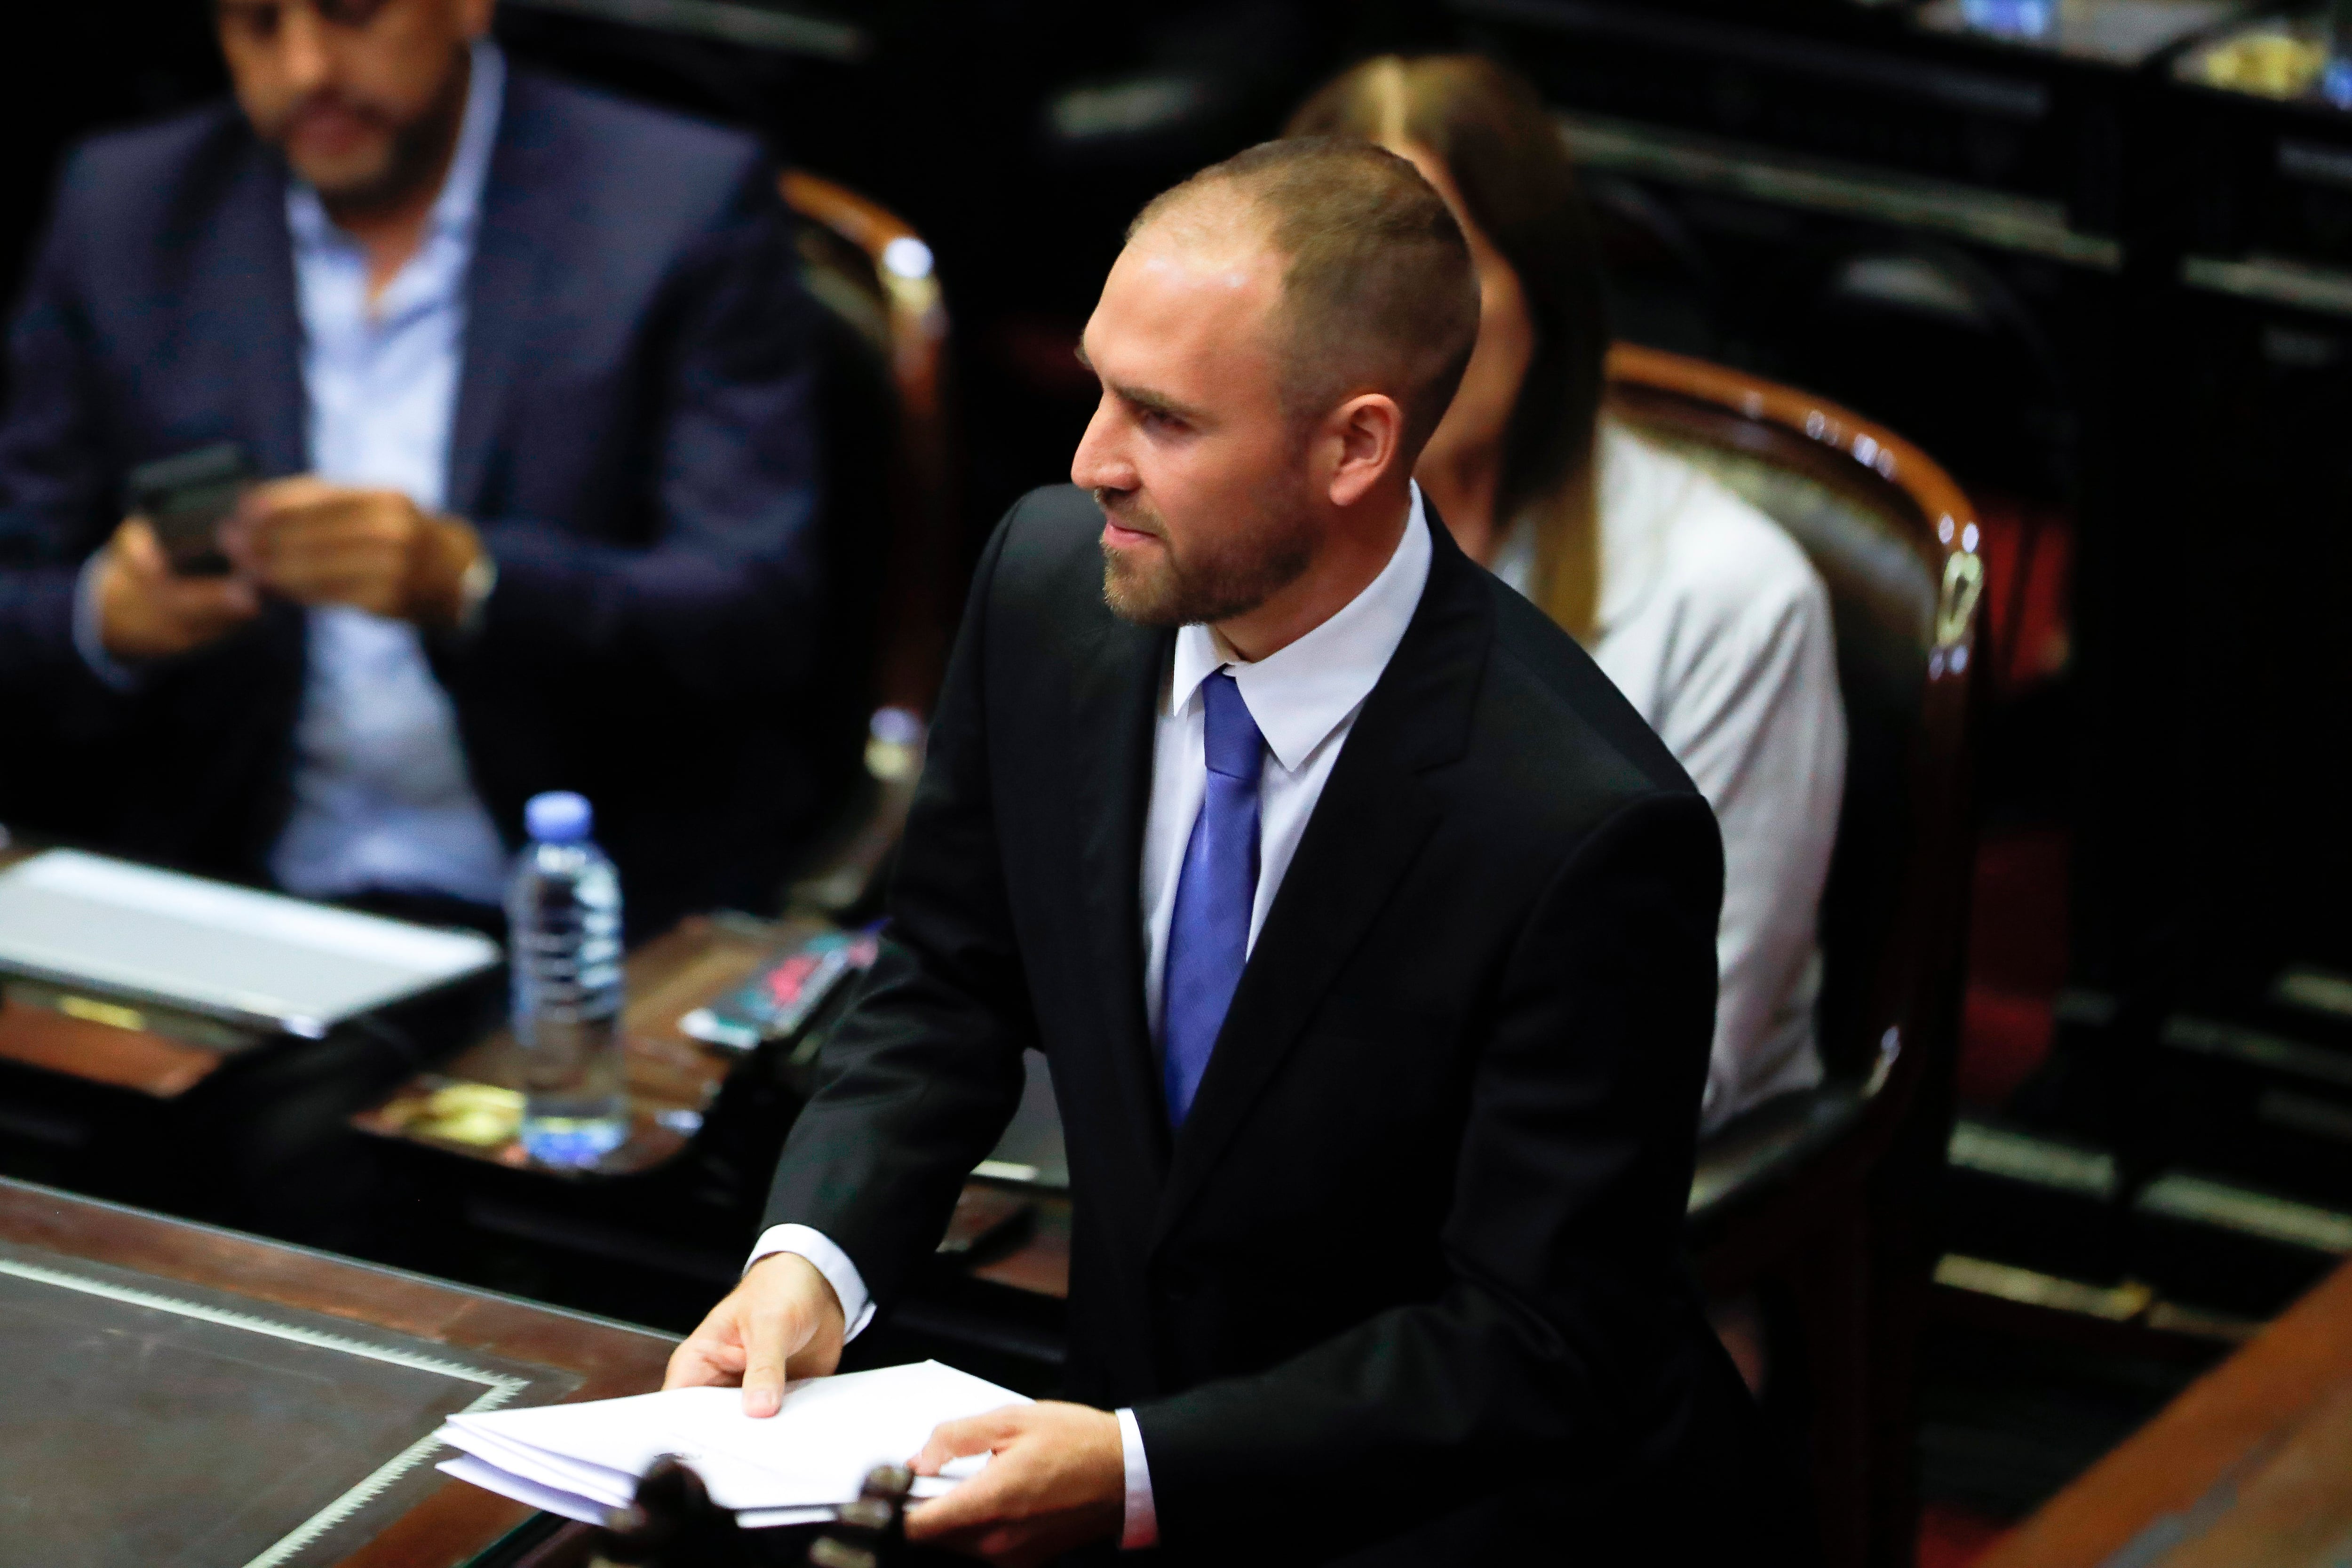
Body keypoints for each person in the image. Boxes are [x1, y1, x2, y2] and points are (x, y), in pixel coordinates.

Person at [666, 139, 1804, 1565]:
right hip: (1118, 1449)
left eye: (1164, 418)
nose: (1093, 460)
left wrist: (1142, 1467)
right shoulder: (1045, 587)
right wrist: (811, 1263)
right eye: (1098, 388)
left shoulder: (1583, 825)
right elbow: (947, 984)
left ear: (1355, 445)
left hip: (1458, 1520)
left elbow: (1533, 1337)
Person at [0, 0, 826, 936]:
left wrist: (474, 581)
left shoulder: (676, 198)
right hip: (227, 889)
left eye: (352, 12)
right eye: (259, 24)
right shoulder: (126, 205)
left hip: (585, 916)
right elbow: (18, 580)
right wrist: (103, 616)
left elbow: (758, 614)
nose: (308, 67)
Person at [1289, 56, 1847, 1138]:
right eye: (1337, 285)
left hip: (1576, 1249)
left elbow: (1668, 1064)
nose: (1388, 334)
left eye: (1439, 273)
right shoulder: (1257, 548)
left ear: (1539, 290)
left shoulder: (1734, 598)